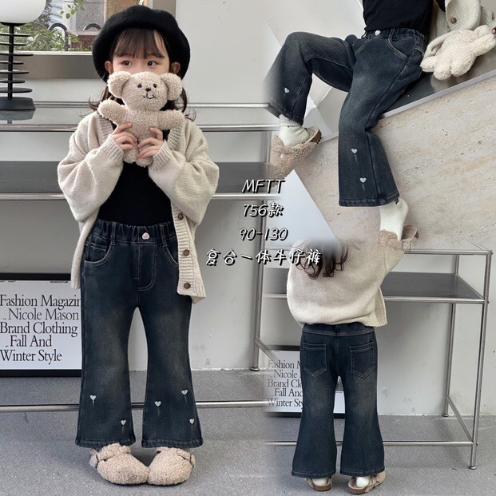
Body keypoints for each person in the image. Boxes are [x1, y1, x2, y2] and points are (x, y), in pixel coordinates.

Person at [57, 5, 219, 486]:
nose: (140, 72)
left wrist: (164, 159)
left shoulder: (185, 132)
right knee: (105, 353)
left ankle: (176, 443)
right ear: (111, 70)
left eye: (153, 62)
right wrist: (111, 152)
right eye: (127, 62)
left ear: (173, 72)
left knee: (170, 350)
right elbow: (76, 194)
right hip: (105, 250)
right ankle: (107, 445)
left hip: (168, 251)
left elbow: (199, 196)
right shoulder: (93, 128)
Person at [266, 1, 445, 240]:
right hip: (363, 46)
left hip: (398, 47)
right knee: (298, 43)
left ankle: (391, 207)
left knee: (351, 120)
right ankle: (290, 127)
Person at [285, 222, 418, 493]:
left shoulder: (302, 249)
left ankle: (319, 476)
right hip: (358, 338)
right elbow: (399, 244)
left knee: (316, 407)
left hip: (315, 336)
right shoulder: (368, 249)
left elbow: (294, 295)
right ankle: (363, 476)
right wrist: (409, 233)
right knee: (361, 407)